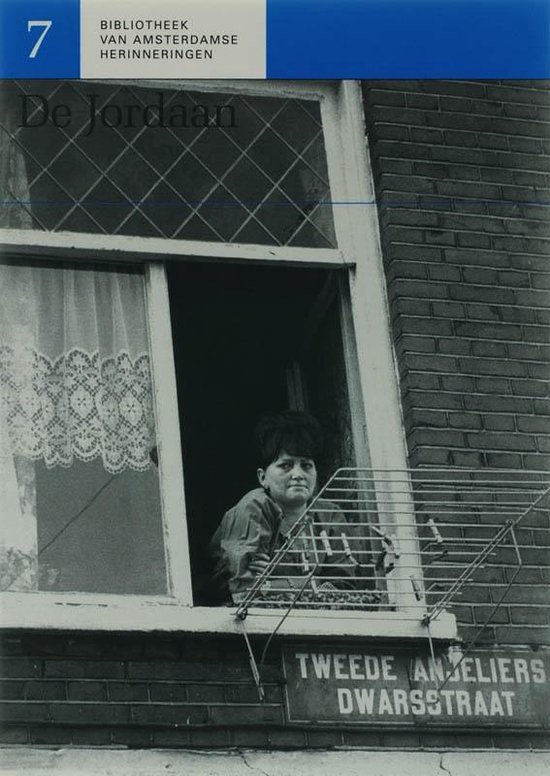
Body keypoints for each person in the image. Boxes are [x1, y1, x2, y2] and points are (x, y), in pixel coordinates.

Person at [208, 410, 355, 605]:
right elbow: (245, 593)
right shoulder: (253, 508)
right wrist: (314, 585)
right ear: (263, 477)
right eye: (286, 466)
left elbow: (345, 587)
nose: (298, 474)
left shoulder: (329, 515)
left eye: (306, 465)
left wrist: (275, 585)